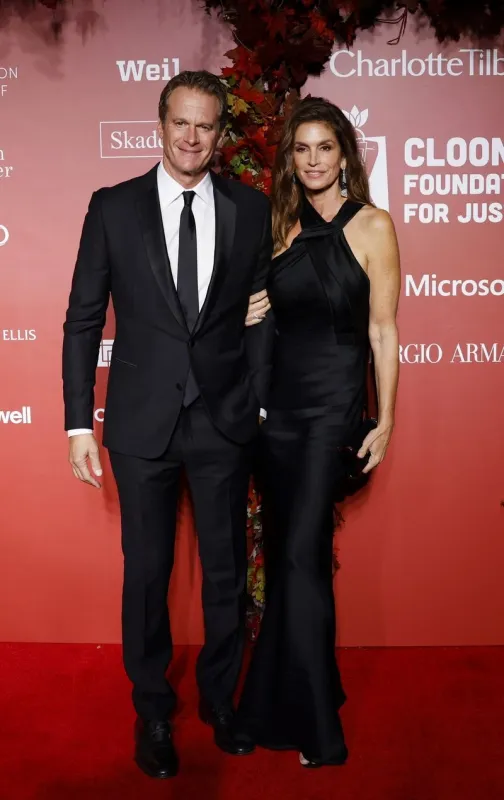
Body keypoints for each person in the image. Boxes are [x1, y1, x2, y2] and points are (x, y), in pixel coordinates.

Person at [62, 70, 273, 779]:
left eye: (205, 125)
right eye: (181, 123)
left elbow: (261, 313)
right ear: (160, 126)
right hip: (141, 423)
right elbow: (83, 320)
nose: (191, 137)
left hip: (223, 420)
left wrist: (258, 400)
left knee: (226, 573)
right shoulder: (113, 207)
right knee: (147, 574)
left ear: (219, 134)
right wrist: (77, 423)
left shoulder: (249, 208)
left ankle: (220, 700)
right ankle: (152, 709)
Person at [237, 96, 400, 767]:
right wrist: (249, 313)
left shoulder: (373, 226)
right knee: (287, 559)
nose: (313, 161)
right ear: (290, 159)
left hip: (334, 409)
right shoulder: (276, 225)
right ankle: (294, 696)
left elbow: (383, 331)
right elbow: (256, 316)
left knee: (303, 558)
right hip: (278, 415)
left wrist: (386, 419)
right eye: (301, 149)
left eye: (324, 148)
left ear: (344, 155)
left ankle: (314, 727)